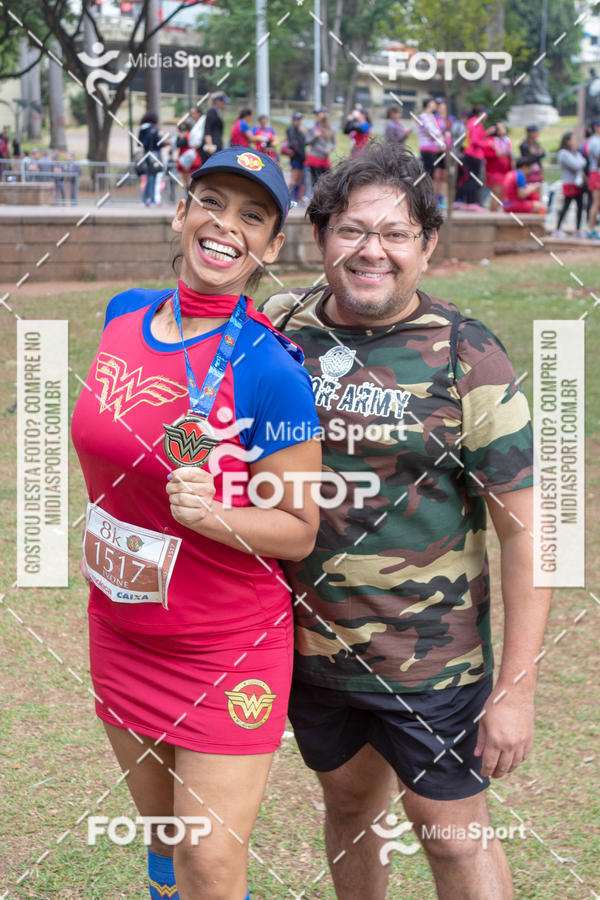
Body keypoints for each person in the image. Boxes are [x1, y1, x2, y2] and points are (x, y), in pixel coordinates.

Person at [263, 142, 550, 900]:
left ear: (425, 247)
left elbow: (528, 535)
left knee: (452, 839)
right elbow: (213, 433)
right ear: (321, 236)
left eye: (395, 234)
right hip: (311, 657)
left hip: (430, 666)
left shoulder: (468, 355)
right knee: (351, 809)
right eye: (354, 230)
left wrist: (515, 689)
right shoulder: (280, 330)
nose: (372, 252)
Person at [71, 147, 321, 900]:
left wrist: (218, 516)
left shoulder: (271, 369)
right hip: (122, 626)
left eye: (253, 216)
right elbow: (135, 440)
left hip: (223, 644)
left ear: (272, 247)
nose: (226, 226)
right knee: (164, 850)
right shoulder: (124, 314)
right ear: (181, 212)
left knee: (209, 865)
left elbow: (300, 529)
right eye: (211, 201)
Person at [552, 131, 586, 237]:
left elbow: (581, 162)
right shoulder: (563, 153)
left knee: (580, 206)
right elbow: (577, 165)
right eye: (573, 139)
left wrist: (581, 162)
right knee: (566, 206)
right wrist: (581, 162)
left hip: (578, 184)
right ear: (567, 141)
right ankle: (557, 229)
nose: (575, 141)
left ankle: (578, 229)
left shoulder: (574, 152)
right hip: (569, 183)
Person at [462, 105, 488, 209]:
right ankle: (471, 202)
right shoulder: (475, 123)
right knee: (473, 179)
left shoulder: (473, 122)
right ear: (480, 113)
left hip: (472, 154)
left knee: (471, 178)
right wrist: (488, 144)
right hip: (474, 155)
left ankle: (471, 202)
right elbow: (475, 140)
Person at [138, 111, 163, 207]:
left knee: (148, 177)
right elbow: (158, 143)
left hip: (146, 154)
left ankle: (145, 200)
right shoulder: (153, 130)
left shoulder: (142, 129)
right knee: (153, 177)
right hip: (154, 154)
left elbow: (140, 143)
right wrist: (160, 136)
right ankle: (152, 200)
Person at [305, 108, 335, 185]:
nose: (317, 116)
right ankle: (315, 196)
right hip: (314, 156)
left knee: (327, 180)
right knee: (316, 181)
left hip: (324, 157)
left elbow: (334, 143)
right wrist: (315, 136)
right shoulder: (312, 127)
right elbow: (307, 142)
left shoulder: (329, 128)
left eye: (318, 114)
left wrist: (330, 149)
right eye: (316, 115)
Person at [416, 97, 443, 179]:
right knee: (428, 173)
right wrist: (441, 134)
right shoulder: (423, 117)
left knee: (431, 173)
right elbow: (432, 133)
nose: (435, 105)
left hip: (433, 149)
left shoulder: (431, 116)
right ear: (428, 104)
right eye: (433, 103)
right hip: (427, 148)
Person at [201, 92, 230, 162]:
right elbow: (208, 129)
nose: (225, 103)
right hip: (212, 148)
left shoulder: (217, 111)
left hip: (216, 146)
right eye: (223, 101)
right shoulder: (212, 111)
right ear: (217, 101)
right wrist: (210, 146)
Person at [286, 111, 307, 203]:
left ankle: (297, 198)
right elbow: (293, 145)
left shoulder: (300, 130)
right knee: (294, 178)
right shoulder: (291, 130)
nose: (299, 121)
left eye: (299, 119)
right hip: (296, 157)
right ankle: (291, 198)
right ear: (293, 120)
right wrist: (301, 154)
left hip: (301, 157)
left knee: (299, 178)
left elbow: (304, 143)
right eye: (297, 119)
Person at [585, 120, 600, 239]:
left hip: (596, 173)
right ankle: (591, 228)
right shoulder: (594, 141)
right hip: (596, 174)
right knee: (596, 202)